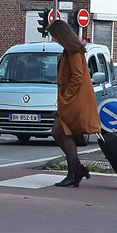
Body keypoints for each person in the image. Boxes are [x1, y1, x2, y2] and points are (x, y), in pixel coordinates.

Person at [47, 19, 100, 187]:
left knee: (63, 132)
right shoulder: (69, 51)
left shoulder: (74, 52)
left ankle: (73, 173)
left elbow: (77, 76)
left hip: (74, 101)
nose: (53, 39)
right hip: (70, 100)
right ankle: (77, 169)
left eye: (54, 36)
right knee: (58, 131)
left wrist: (66, 96)